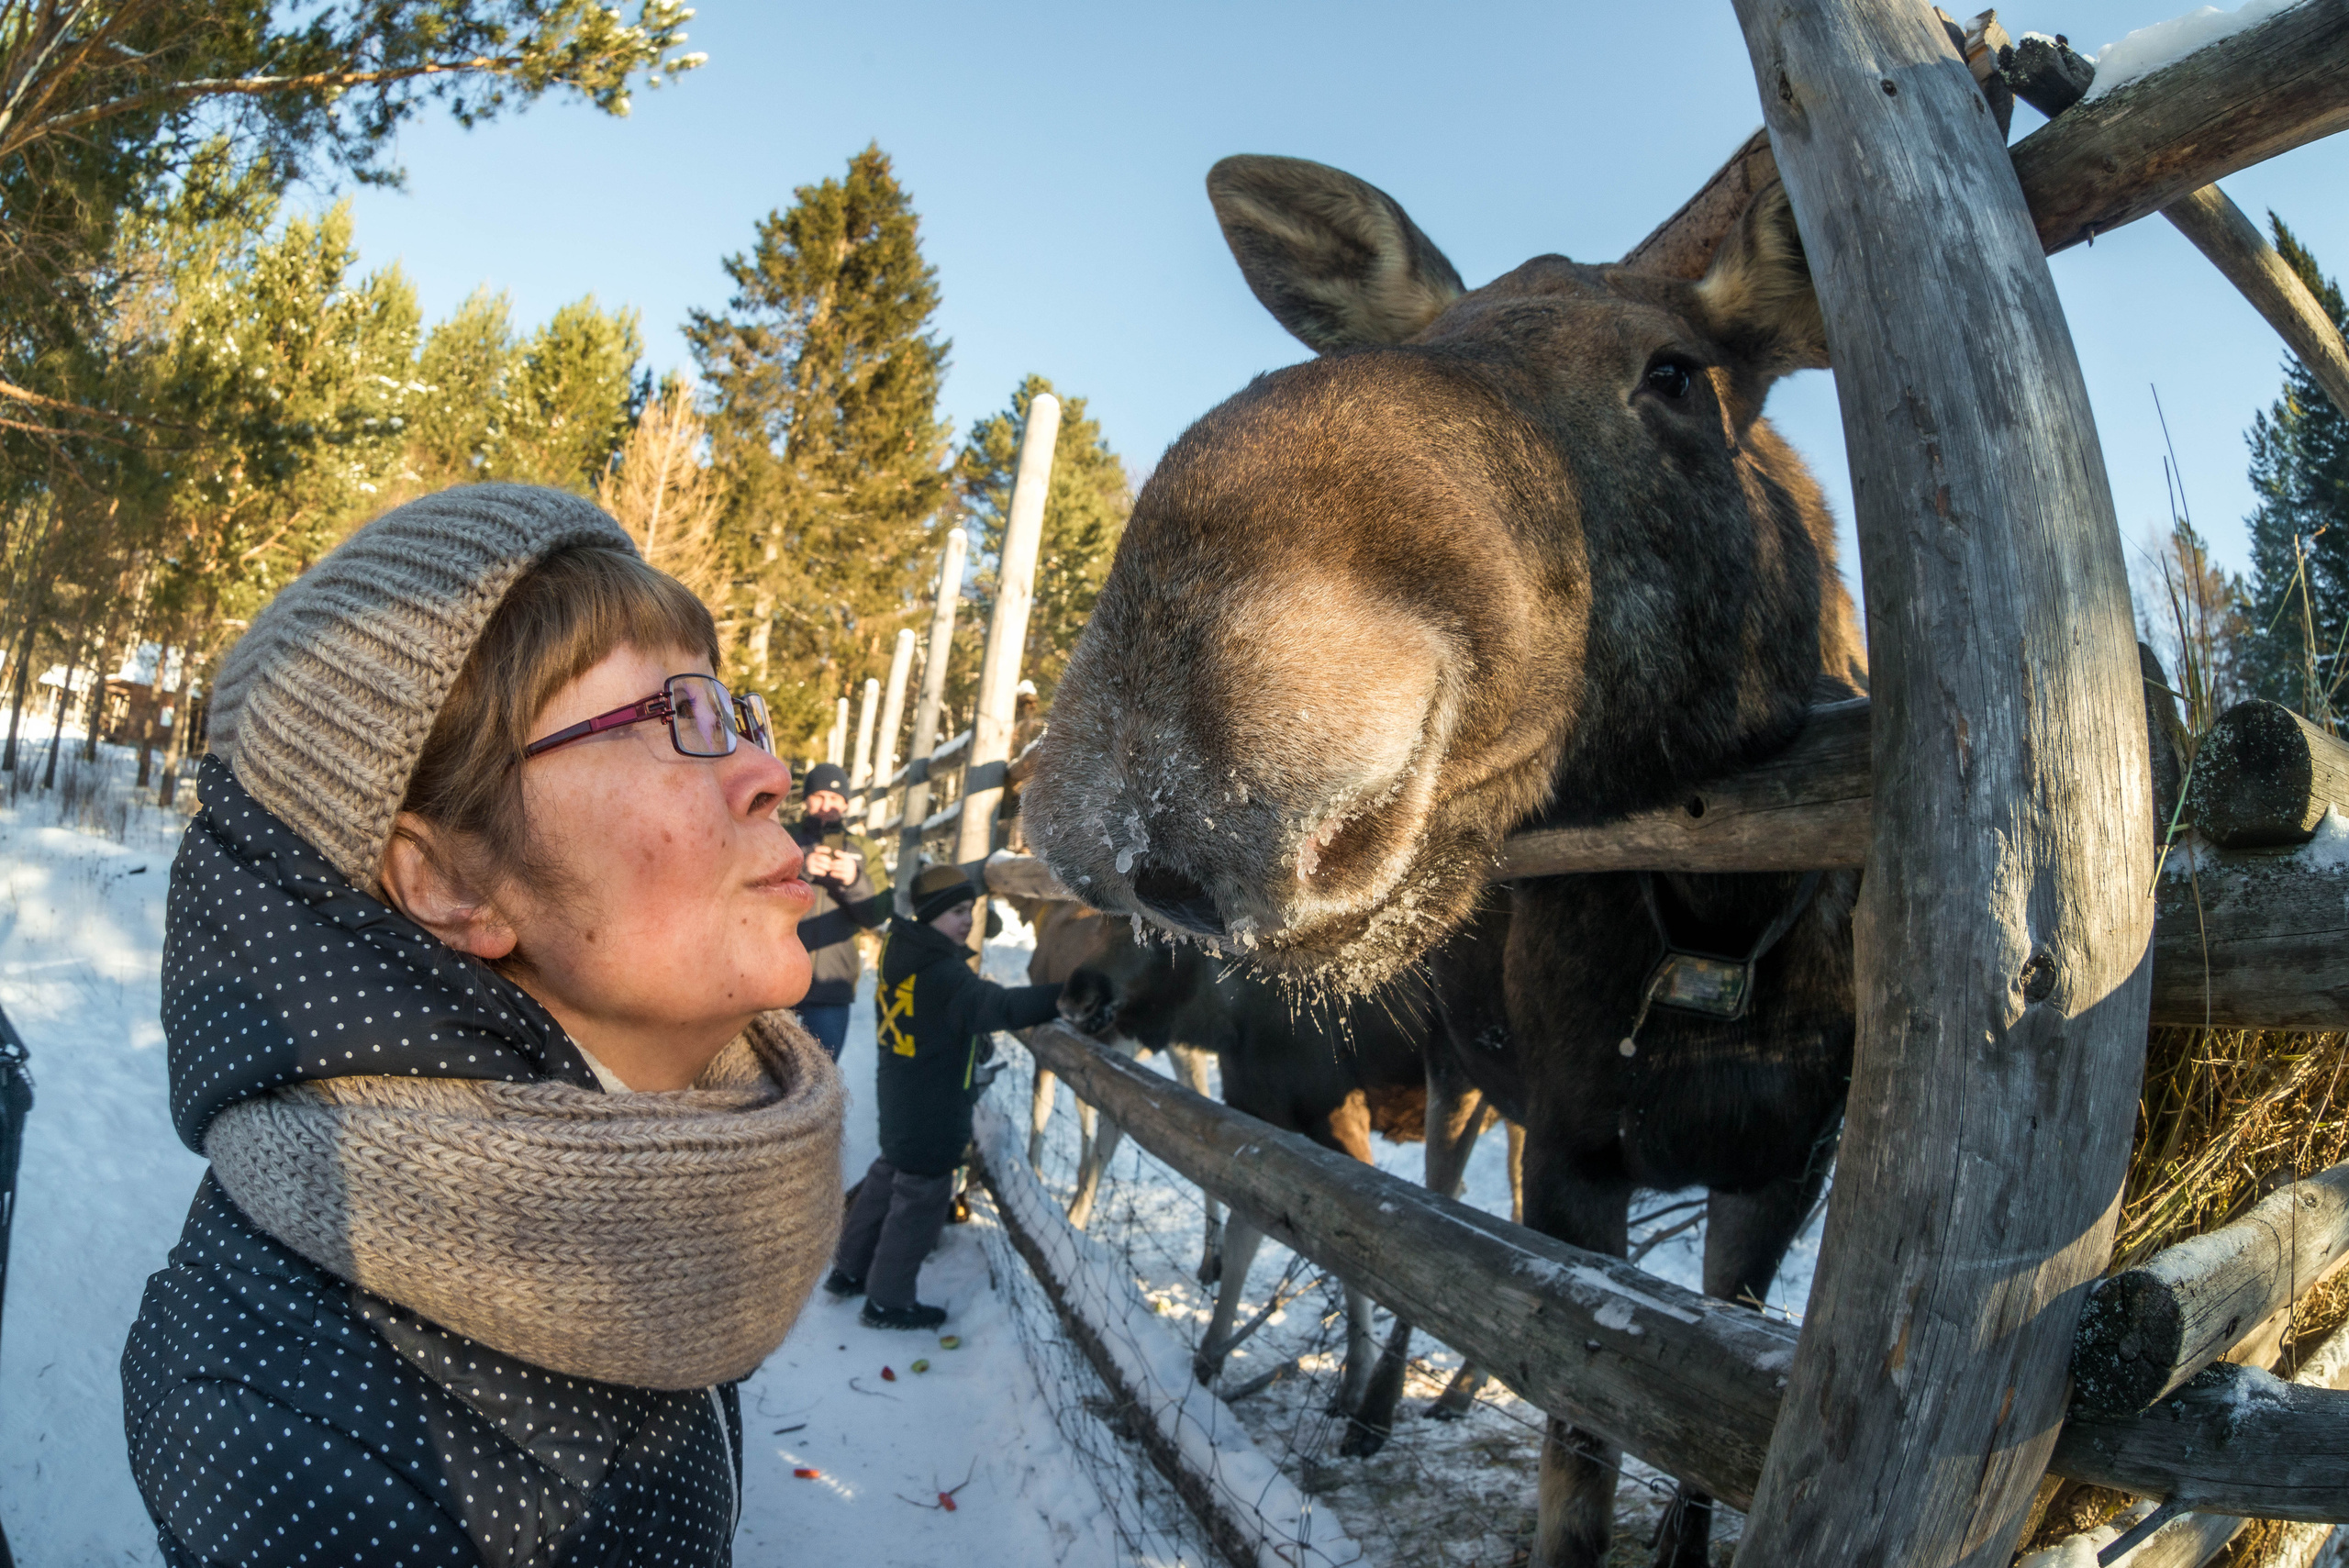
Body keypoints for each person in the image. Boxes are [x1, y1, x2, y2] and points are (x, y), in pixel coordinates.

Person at [119, 484, 845, 1565]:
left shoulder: (652, 1170)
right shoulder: (312, 1434)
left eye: (736, 710)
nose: (770, 772)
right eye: (674, 719)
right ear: (453, 883)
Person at [827, 864, 1059, 1329]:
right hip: (934, 1107)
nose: (967, 919)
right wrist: (1067, 996)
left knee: (887, 1174)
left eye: (971, 909)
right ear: (931, 915)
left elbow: (941, 1018)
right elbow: (1003, 1007)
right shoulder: (944, 975)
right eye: (956, 910)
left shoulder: (902, 951)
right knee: (919, 1198)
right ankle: (887, 1301)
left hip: (901, 1093)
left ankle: (849, 1270)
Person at [788, 760, 889, 1061]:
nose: (826, 805)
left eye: (835, 798)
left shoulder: (863, 849)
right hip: (775, 978)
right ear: (806, 799)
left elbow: (880, 912)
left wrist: (854, 880)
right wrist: (800, 869)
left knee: (822, 1077)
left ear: (845, 803)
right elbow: (752, 892)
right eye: (818, 796)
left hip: (833, 985)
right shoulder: (784, 838)